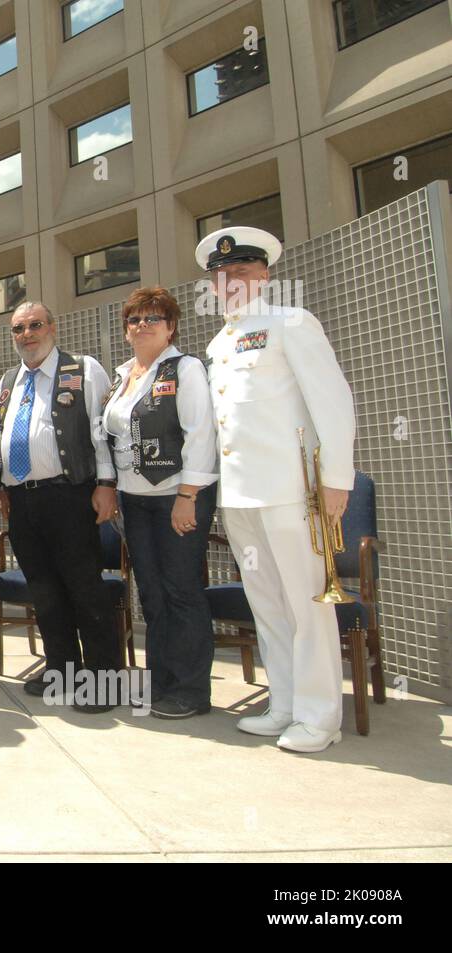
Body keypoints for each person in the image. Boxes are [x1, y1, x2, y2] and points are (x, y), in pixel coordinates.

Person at [198, 226, 355, 753]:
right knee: (267, 605)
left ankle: (320, 718)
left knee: (308, 605)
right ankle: (284, 704)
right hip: (240, 496)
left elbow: (333, 401)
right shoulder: (219, 342)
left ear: (263, 275)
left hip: (290, 492)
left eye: (240, 272)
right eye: (221, 276)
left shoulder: (292, 322)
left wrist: (336, 479)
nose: (230, 282)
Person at [0, 301, 120, 713]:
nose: (27, 334)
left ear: (53, 326)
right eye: (18, 329)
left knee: (84, 588)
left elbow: (101, 434)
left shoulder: (82, 369)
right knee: (45, 592)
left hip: (69, 495)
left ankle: (103, 682)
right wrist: (1, 483)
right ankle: (62, 671)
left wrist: (105, 483)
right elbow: (4, 434)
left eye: (34, 325)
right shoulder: (9, 380)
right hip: (23, 500)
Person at [100, 287, 218, 719]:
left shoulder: (185, 369)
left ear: (171, 327)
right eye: (135, 319)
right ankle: (162, 682)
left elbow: (201, 433)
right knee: (151, 592)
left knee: (181, 590)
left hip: (176, 497)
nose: (142, 325)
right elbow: (109, 437)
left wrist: (188, 496)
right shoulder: (122, 374)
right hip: (135, 500)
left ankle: (191, 690)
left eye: (153, 318)